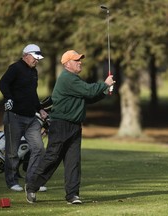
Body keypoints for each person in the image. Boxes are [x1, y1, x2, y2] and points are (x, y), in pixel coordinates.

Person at [25, 50, 115, 204]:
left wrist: (105, 91)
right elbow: (88, 90)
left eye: (80, 60)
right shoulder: (67, 79)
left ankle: (72, 195)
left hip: (74, 126)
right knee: (52, 158)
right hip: (61, 124)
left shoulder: (74, 79)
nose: (80, 62)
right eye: (76, 60)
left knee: (73, 161)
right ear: (67, 64)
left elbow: (89, 97)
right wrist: (104, 84)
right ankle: (32, 186)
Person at [0, 44, 48, 192]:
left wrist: (40, 108)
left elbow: (33, 93)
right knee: (12, 152)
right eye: (35, 58)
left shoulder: (34, 72)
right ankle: (12, 182)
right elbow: (3, 83)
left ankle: (31, 182)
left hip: (31, 117)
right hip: (14, 116)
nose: (36, 61)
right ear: (26, 55)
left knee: (38, 148)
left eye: (38, 59)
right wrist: (8, 98)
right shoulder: (15, 68)